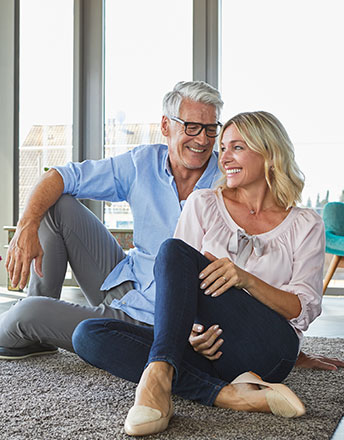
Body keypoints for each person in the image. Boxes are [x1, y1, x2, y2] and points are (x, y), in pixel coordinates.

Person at [0, 81, 344, 371]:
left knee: (30, 314)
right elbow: (61, 175)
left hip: (167, 318)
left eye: (211, 130)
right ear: (166, 127)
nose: (203, 141)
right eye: (192, 127)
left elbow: (274, 281)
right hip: (126, 286)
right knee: (59, 205)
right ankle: (33, 329)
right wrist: (27, 225)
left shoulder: (233, 177)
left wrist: (282, 348)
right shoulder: (141, 164)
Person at [72, 111, 326, 436]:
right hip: (205, 348)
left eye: (237, 147)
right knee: (90, 335)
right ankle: (225, 394)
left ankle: (159, 378)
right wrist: (190, 333)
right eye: (224, 147)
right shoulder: (203, 203)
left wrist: (244, 279)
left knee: (172, 251)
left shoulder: (305, 224)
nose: (224, 158)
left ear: (270, 154)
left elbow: (301, 309)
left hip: (268, 349)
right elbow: (177, 281)